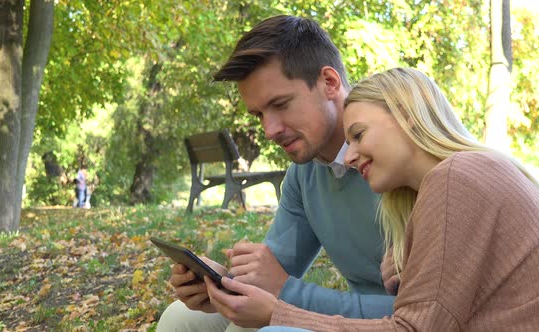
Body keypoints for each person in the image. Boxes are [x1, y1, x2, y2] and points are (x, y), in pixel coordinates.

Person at [203, 67, 539, 331]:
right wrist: (222, 281)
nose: (350, 156)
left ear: (405, 114)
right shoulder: (460, 174)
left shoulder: (456, 177)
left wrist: (278, 312)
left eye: (358, 135)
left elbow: (411, 327)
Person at [157, 15, 395, 332]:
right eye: (259, 114)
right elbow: (274, 273)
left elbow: (431, 311)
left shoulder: (400, 159)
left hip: (400, 322)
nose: (269, 130)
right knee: (181, 318)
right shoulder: (304, 174)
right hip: (348, 318)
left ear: (329, 83)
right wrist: (222, 283)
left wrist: (284, 294)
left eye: (281, 104)